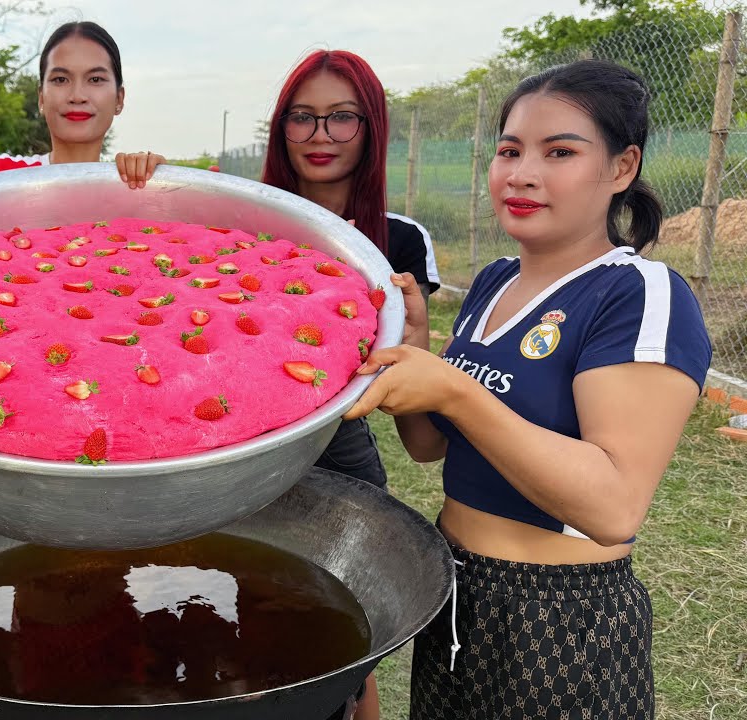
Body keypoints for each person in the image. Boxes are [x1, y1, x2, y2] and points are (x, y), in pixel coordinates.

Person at [344, 60, 711, 719]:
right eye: (509, 151)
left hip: (561, 614)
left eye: (560, 152)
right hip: (452, 591)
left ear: (622, 169)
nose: (522, 174)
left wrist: (454, 390)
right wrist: (422, 357)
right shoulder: (493, 283)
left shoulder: (638, 294)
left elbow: (614, 507)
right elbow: (431, 446)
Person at [261, 49, 440, 497]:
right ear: (282, 129)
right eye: (302, 117)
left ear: (371, 128)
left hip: (337, 441)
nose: (320, 136)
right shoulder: (244, 227)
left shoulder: (399, 241)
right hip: (237, 440)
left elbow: (407, 406)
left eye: (342, 117)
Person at [0, 21, 164, 187]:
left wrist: (163, 182)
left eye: (95, 79)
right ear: (41, 97)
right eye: (61, 79)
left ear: (119, 99)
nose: (77, 96)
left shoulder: (135, 185)